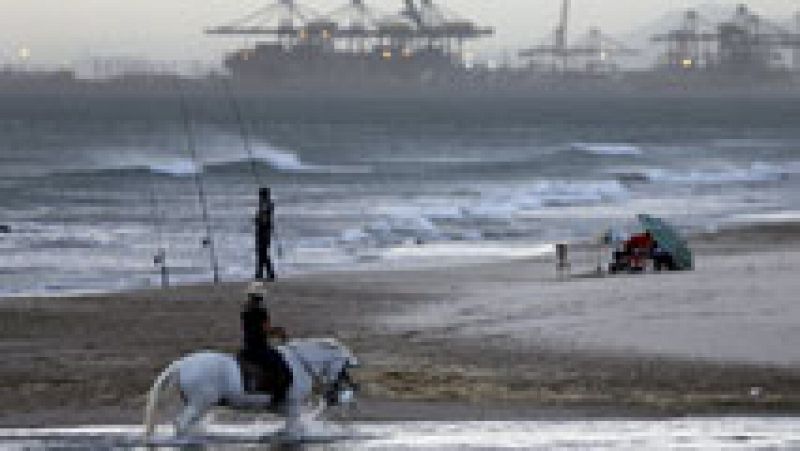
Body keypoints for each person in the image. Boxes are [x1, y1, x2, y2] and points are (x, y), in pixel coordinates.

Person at [239, 283, 292, 405]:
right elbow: (266, 330)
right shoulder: (261, 311)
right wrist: (279, 331)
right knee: (283, 369)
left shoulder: (245, 310)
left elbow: (247, 329)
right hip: (259, 347)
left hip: (247, 347)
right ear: (261, 297)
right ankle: (277, 398)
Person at [255, 187, 276, 281]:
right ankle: (263, 273)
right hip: (265, 232)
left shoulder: (265, 205)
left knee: (262, 253)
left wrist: (257, 220)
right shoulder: (268, 205)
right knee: (262, 253)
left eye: (260, 195)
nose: (259, 197)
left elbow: (263, 220)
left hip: (263, 232)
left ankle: (266, 273)